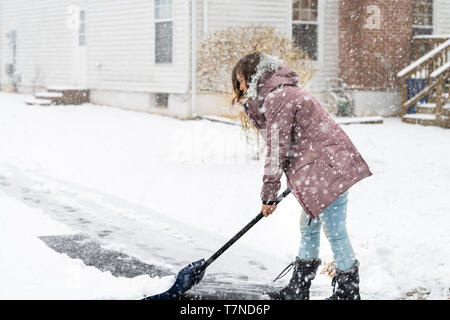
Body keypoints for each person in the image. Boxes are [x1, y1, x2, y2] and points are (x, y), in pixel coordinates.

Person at [231, 52, 372, 300]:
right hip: (319, 170)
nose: (239, 86)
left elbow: (277, 150)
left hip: (326, 170)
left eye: (240, 80)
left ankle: (348, 293)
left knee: (335, 231)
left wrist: (268, 195)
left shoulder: (278, 97)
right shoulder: (282, 93)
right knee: (308, 227)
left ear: (254, 76)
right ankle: (299, 287)